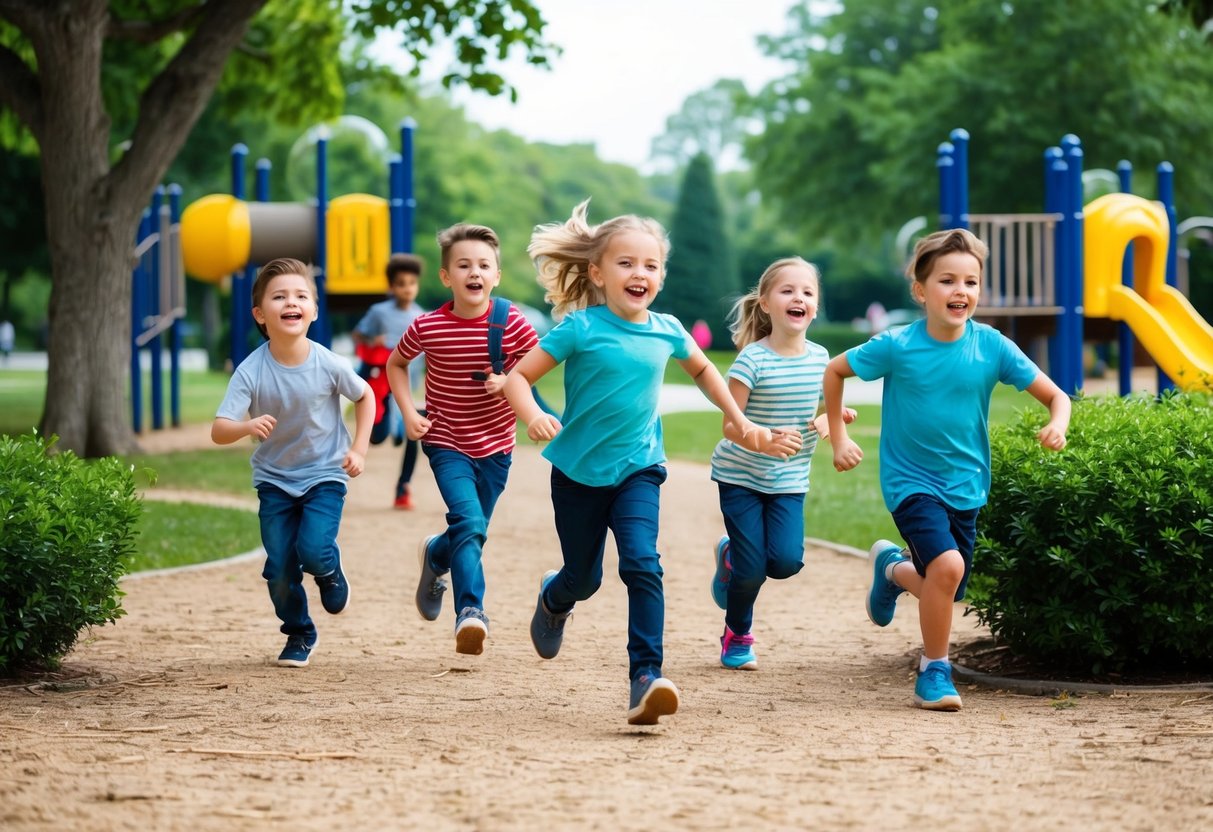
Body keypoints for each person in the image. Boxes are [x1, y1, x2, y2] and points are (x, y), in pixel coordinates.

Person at [503, 200, 799, 725]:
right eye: (626, 263)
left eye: (651, 265)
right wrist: (532, 417)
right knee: (584, 577)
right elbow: (518, 378)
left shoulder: (667, 328)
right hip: (576, 473)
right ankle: (555, 596)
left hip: (640, 467)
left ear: (661, 274)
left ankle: (645, 676)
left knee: (642, 563)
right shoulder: (581, 329)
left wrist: (741, 420)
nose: (639, 274)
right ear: (597, 272)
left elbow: (707, 371)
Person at [822, 228, 1070, 711]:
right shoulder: (897, 345)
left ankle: (892, 570)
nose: (961, 291)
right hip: (910, 481)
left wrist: (1057, 423)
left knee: (945, 584)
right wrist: (840, 436)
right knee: (948, 568)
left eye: (971, 282)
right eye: (947, 280)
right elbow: (835, 371)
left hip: (967, 485)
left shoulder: (992, 346)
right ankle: (935, 671)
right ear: (920, 290)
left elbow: (1056, 395)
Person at [212, 257, 374, 668]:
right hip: (274, 480)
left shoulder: (328, 363)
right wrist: (247, 426)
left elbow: (365, 396)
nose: (291, 302)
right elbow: (219, 429)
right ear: (260, 313)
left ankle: (329, 571)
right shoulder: (251, 370)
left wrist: (358, 449)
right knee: (280, 567)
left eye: (301, 296)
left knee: (314, 550)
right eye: (280, 296)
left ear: (314, 311)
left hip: (324, 474)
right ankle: (300, 631)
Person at [386, 223, 538, 657]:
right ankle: (471, 612)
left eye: (484, 265)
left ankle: (437, 555)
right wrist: (410, 411)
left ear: (497, 275)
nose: (475, 272)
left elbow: (537, 365)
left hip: (496, 447)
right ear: (446, 276)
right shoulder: (428, 326)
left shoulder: (513, 324)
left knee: (472, 530)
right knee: (470, 524)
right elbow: (396, 365)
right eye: (464, 265)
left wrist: (508, 379)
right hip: (446, 441)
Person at [708, 257, 856, 670]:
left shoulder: (821, 359)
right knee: (754, 570)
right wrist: (763, 440)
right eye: (787, 290)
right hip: (740, 475)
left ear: (815, 306)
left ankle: (732, 559)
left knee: (786, 562)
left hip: (790, 478)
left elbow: (818, 413)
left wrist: (833, 421)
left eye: (807, 292)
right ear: (767, 304)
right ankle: (737, 634)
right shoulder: (751, 361)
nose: (799, 298)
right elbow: (729, 426)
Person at [352, 253, 426, 510]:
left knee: (414, 432)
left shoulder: (421, 317)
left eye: (412, 283)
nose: (407, 289)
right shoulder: (379, 312)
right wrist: (374, 342)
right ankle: (385, 430)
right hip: (378, 386)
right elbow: (359, 335)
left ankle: (402, 489)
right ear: (392, 287)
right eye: (402, 283)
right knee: (378, 437)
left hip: (404, 390)